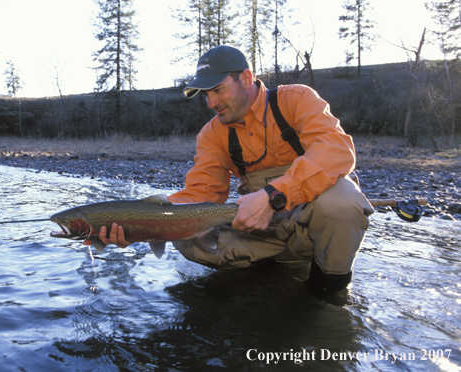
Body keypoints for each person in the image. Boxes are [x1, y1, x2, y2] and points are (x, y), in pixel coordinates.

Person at [85, 45, 374, 292]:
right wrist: (142, 224)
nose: (211, 103)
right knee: (184, 238)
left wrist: (273, 196)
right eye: (205, 95)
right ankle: (259, 275)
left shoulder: (296, 99)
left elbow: (336, 152)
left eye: (217, 90)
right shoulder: (212, 134)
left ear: (246, 78)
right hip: (259, 232)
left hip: (310, 231)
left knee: (342, 203)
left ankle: (329, 293)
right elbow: (201, 193)